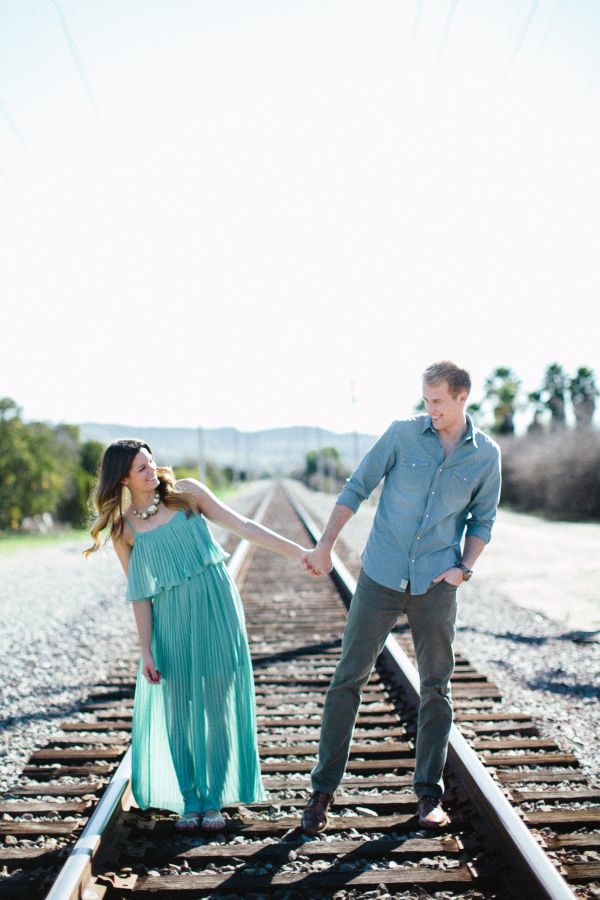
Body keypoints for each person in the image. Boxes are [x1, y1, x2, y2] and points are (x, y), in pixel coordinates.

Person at [300, 361, 502, 832]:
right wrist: (326, 543)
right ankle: (321, 793)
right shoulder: (401, 434)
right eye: (425, 400)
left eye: (438, 402)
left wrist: (463, 569)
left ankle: (428, 795)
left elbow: (483, 521)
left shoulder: (485, 455)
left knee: (436, 688)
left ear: (461, 398)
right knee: (347, 679)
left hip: (436, 585)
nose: (429, 409)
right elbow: (357, 487)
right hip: (381, 576)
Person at [85, 439, 312, 831]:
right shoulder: (124, 529)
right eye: (141, 468)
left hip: (216, 605)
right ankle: (190, 799)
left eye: (152, 462)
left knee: (217, 704)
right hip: (170, 619)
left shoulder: (186, 494)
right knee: (178, 711)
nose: (152, 470)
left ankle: (215, 798)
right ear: (123, 478)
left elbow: (241, 526)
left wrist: (297, 552)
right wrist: (146, 650)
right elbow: (140, 594)